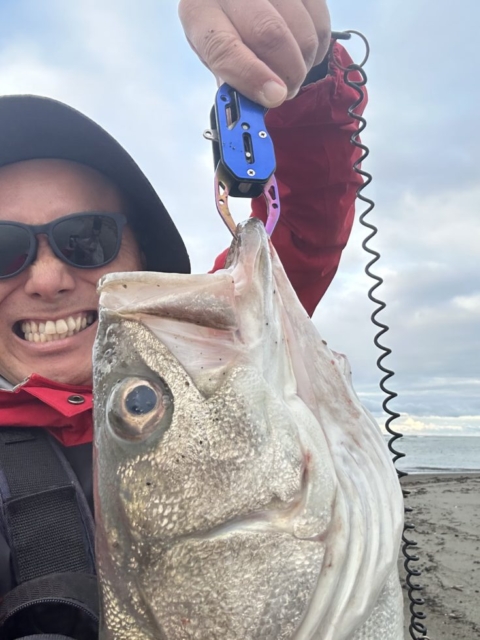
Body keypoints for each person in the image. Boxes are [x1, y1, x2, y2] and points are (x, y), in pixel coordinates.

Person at [0, 1, 365, 638]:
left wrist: (292, 77)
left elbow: (291, 223)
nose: (48, 278)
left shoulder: (205, 352)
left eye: (87, 239)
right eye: (4, 250)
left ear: (145, 258)